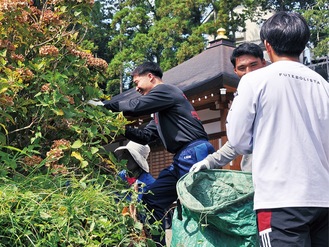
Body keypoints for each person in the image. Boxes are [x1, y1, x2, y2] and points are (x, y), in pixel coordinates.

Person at [226, 12, 329, 246]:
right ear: (303, 46)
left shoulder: (254, 81)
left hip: (280, 199)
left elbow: (238, 140)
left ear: (267, 46)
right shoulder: (324, 85)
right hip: (323, 197)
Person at [90, 61, 215, 246]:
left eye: (136, 82)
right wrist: (116, 127)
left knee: (200, 207)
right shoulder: (160, 110)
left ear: (150, 76)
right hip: (181, 157)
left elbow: (135, 105)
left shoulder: (167, 90)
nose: (136, 88)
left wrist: (104, 106)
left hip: (194, 152)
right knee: (150, 198)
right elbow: (145, 136)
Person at [190, 42, 266, 172]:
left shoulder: (276, 91)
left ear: (264, 63)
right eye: (242, 68)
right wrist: (210, 161)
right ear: (235, 71)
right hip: (254, 178)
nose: (249, 72)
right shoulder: (242, 96)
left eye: (253, 65)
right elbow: (235, 143)